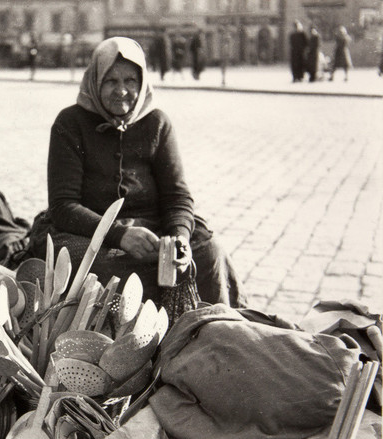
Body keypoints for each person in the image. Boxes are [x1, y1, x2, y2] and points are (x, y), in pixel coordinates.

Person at [28, 37, 248, 315]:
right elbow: (63, 206)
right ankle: (126, 342)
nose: (122, 91)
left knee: (207, 252)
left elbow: (177, 196)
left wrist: (177, 237)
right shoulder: (70, 123)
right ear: (95, 82)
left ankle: (208, 331)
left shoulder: (157, 123)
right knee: (101, 268)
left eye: (131, 81)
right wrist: (120, 235)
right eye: (111, 82)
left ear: (142, 82)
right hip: (89, 231)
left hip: (153, 227)